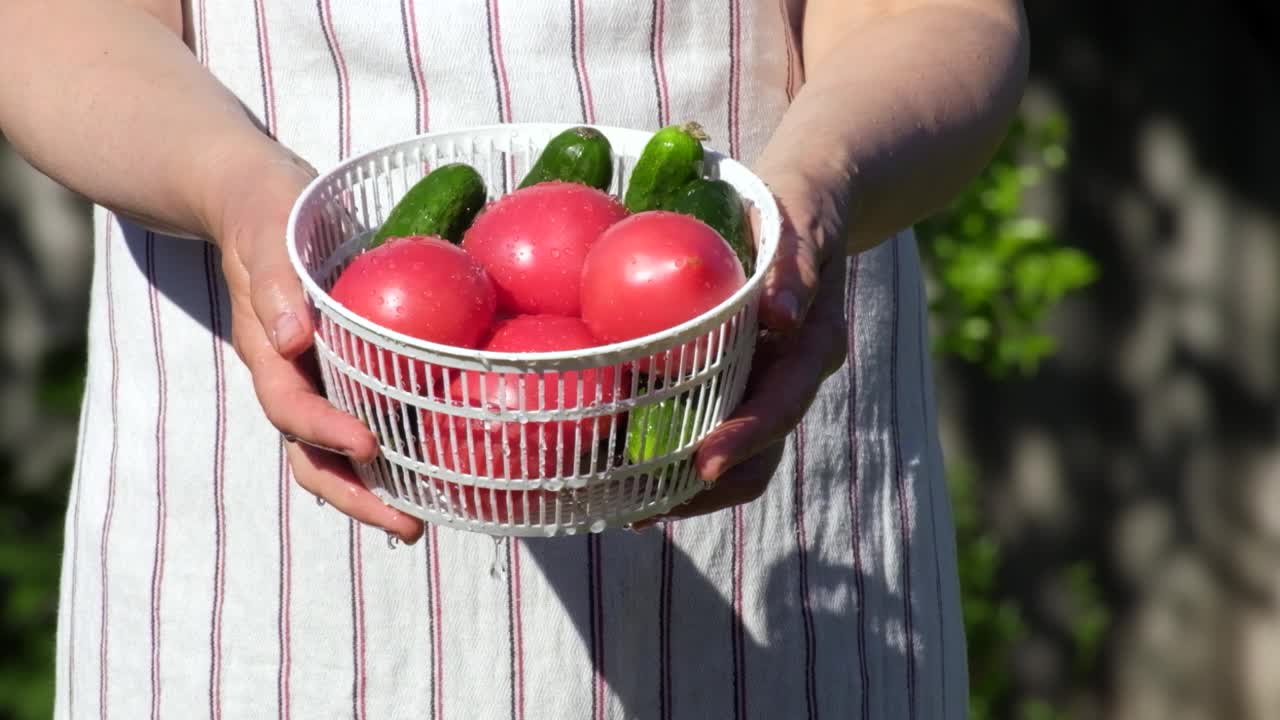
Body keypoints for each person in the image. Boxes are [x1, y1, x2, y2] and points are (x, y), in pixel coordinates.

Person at [0, 0, 1028, 717]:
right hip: (251, 506)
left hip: (741, 386)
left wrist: (816, 187)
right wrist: (232, 192)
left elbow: (924, 12)